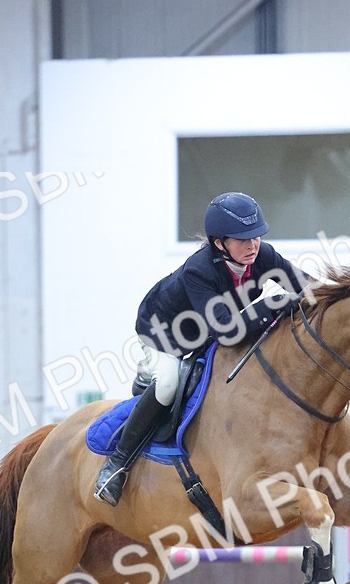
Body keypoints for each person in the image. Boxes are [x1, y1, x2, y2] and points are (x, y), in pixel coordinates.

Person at [94, 191, 310, 505]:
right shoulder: (200, 270)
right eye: (241, 240)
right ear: (218, 242)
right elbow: (228, 331)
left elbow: (309, 289)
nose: (252, 246)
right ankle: (117, 465)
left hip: (208, 332)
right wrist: (272, 303)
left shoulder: (264, 256)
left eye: (256, 238)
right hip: (164, 334)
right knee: (168, 384)